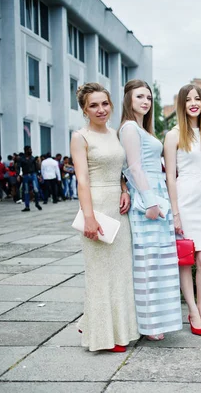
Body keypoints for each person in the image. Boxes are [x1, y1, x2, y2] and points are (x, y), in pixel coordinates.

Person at [70, 82, 139, 352]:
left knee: (120, 272)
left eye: (105, 103)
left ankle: (101, 324)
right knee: (99, 274)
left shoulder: (115, 133)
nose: (101, 109)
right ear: (85, 110)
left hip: (118, 207)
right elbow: (82, 179)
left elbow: (120, 169)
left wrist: (124, 190)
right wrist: (88, 217)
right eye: (94, 105)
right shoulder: (80, 136)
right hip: (96, 206)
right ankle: (101, 336)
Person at [119, 79, 182, 341]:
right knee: (147, 263)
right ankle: (148, 324)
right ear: (128, 100)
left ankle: (156, 320)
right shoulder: (130, 127)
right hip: (148, 199)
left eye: (148, 97)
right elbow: (133, 167)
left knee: (159, 262)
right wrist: (150, 200)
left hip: (157, 196)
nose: (145, 101)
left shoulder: (142, 128)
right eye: (139, 97)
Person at [164, 84, 201, 336]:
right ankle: (193, 310)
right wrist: (174, 212)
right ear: (181, 104)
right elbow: (170, 177)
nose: (194, 103)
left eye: (198, 98)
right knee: (186, 262)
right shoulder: (173, 135)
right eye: (189, 99)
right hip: (184, 203)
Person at [16, 146, 42, 211]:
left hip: (33, 174)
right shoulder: (21, 159)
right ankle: (27, 206)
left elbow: (36, 167)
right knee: (26, 191)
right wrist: (18, 175)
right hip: (25, 175)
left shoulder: (33, 158)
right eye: (29, 150)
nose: (31, 151)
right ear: (26, 151)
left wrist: (38, 175)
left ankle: (37, 203)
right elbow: (18, 167)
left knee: (36, 189)